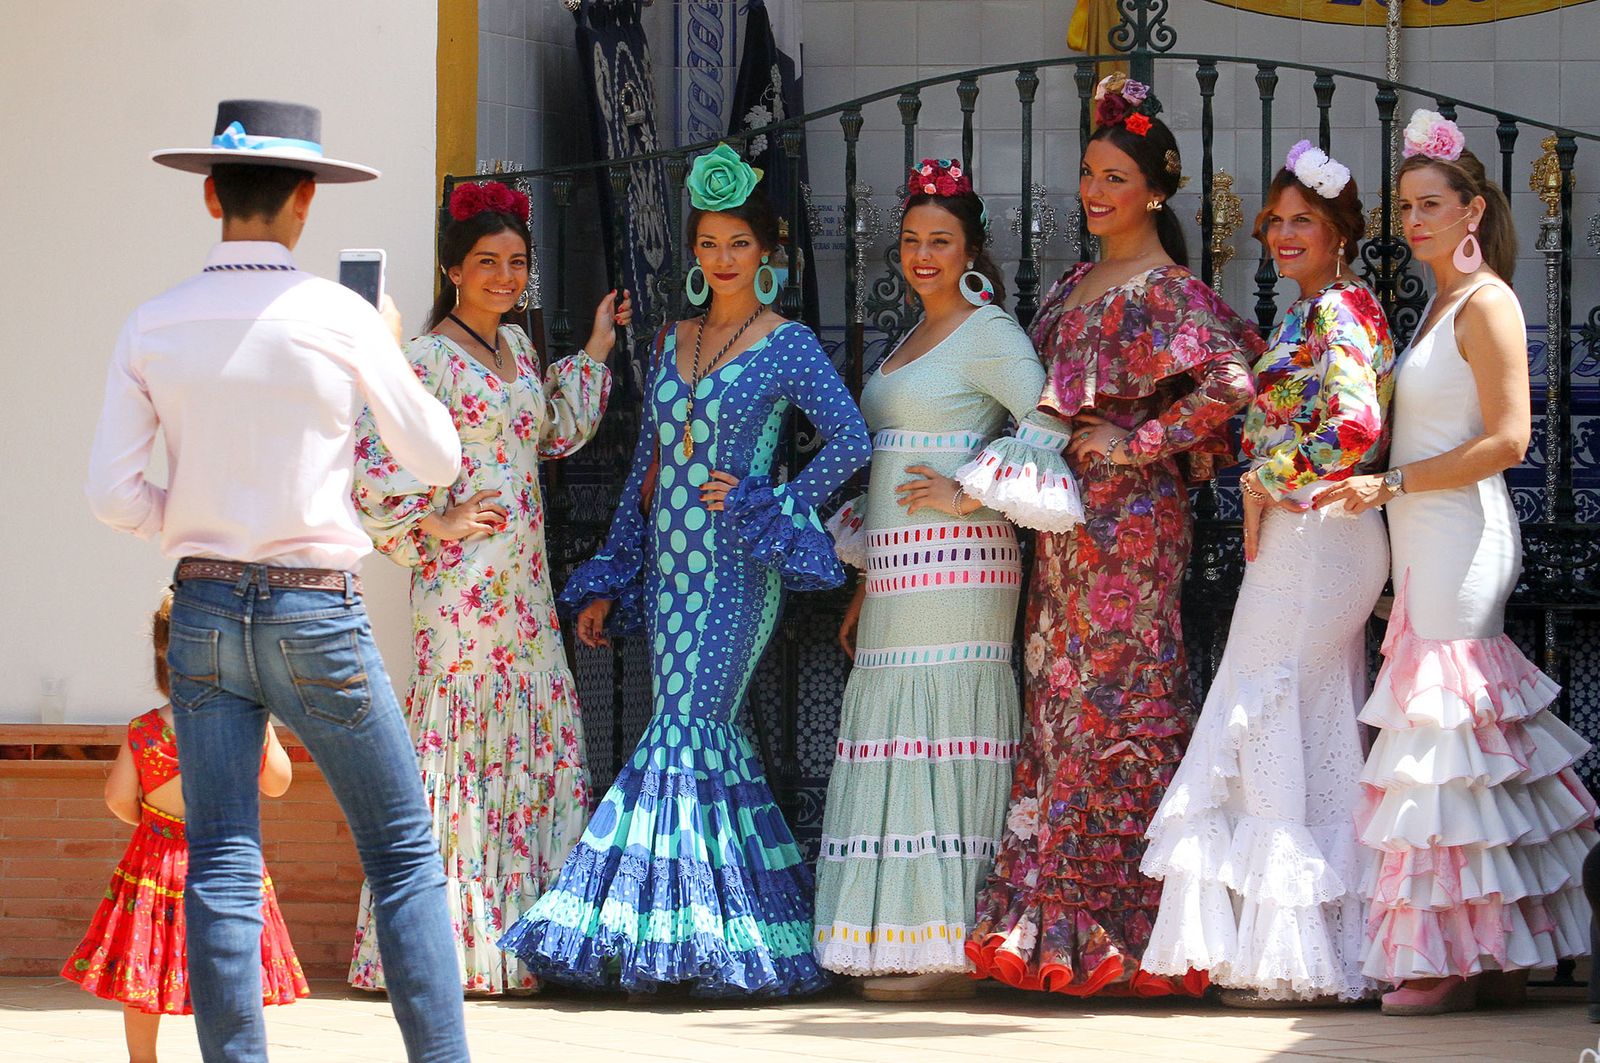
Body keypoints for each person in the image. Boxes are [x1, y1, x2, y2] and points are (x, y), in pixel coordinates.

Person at [85, 100, 470, 1060]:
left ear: (211, 193)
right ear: (305, 202)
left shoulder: (152, 323)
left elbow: (111, 492)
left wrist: (196, 521)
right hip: (316, 607)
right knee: (403, 856)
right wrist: (379, 339)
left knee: (220, 860)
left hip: (206, 602)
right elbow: (434, 457)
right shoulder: (338, 315)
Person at [497, 143, 870, 996]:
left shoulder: (789, 343)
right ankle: (725, 934)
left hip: (739, 565)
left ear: (766, 253)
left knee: (687, 728)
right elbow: (646, 468)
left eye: (738, 243)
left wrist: (772, 499)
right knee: (698, 736)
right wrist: (610, 576)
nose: (722, 258)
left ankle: (643, 926)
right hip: (670, 563)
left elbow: (850, 440)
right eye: (708, 243)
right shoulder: (672, 340)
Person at [967, 75, 1263, 998]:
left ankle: (1137, 925)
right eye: (1088, 173)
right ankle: (1055, 920)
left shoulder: (1169, 290)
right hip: (1061, 530)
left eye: (1114, 176)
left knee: (1123, 704)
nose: (1094, 190)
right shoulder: (1069, 286)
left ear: (1156, 190)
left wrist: (1137, 444)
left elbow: (1233, 384)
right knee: (1059, 700)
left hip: (1133, 531)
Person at [1317, 110, 1598, 1016]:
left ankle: (1450, 957)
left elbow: (1510, 438)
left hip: (1464, 536)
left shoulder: (1490, 302)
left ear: (1474, 208)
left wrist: (1389, 480)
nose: (1417, 221)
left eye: (1432, 204)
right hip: (1424, 534)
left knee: (1451, 744)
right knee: (1466, 751)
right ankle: (1496, 948)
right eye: (1406, 207)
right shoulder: (1439, 303)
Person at [347, 179, 630, 995]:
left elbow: (553, 431)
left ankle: (523, 938)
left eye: (517, 263)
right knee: (463, 752)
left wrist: (601, 344)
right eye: (487, 263)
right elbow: (372, 468)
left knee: (530, 734)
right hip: (463, 590)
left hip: (526, 588)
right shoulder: (426, 358)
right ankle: (452, 949)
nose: (506, 277)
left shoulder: (518, 352)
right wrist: (435, 523)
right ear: (452, 268)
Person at [812, 158, 1082, 1002]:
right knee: (892, 721)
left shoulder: (990, 330)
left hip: (965, 561)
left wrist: (974, 487)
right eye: (911, 240)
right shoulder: (906, 338)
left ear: (970, 248)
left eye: (941, 240)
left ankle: (947, 940)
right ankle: (889, 933)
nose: (923, 254)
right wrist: (864, 581)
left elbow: (1054, 410)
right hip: (897, 569)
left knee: (941, 722)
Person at [1140, 141, 1394, 1005]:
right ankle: (1314, 947)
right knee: (1307, 712)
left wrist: (1266, 479)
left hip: (1320, 532)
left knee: (1264, 696)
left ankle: (1292, 952)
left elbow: (1356, 428)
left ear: (1340, 233)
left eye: (1304, 222)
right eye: (1276, 222)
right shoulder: (1305, 312)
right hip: (1306, 532)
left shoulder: (1340, 312)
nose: (1284, 235)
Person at [62, 591, 308, 1063]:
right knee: (230, 965)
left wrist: (154, 823)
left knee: (144, 965)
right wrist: (264, 722)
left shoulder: (145, 730)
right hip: (228, 862)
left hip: (156, 863)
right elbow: (277, 784)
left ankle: (143, 1058)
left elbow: (117, 797)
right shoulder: (247, 722)